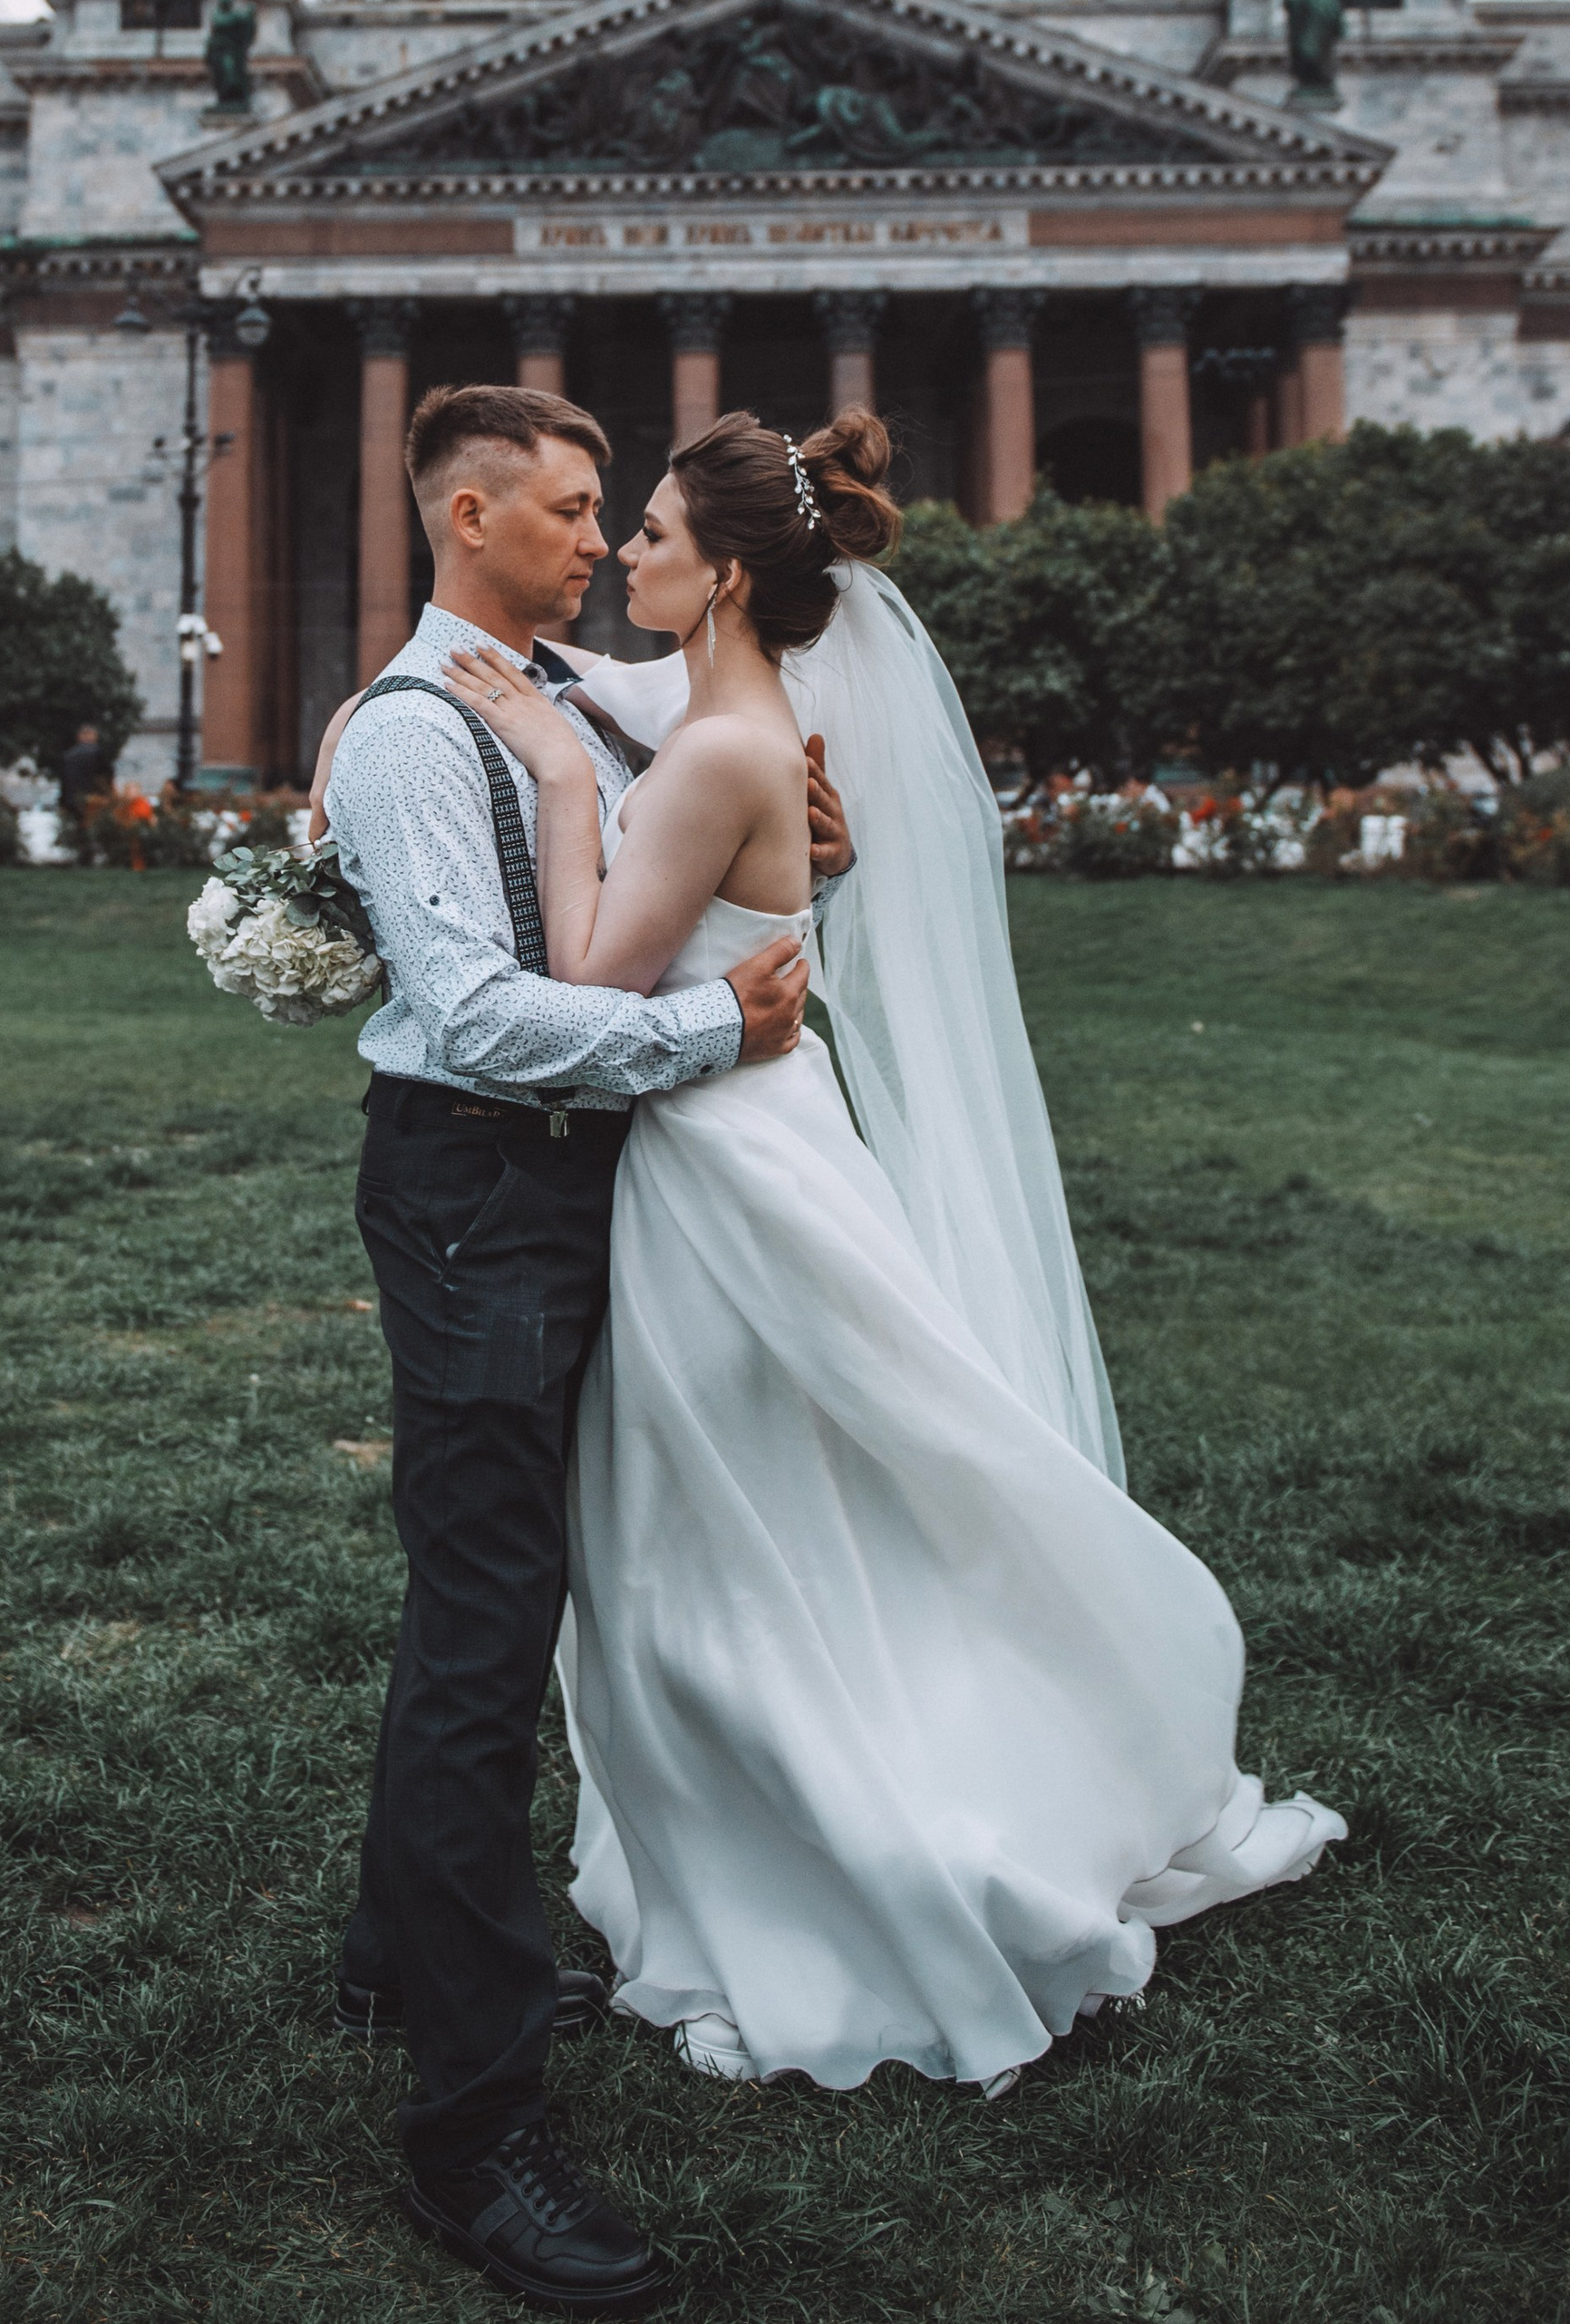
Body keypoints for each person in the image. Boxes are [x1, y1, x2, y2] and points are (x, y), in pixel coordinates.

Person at [442, 403, 1343, 2120]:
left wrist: (561, 778)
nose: (616, 552)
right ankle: (797, 1813)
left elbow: (587, 983)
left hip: (717, 1169)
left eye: (645, 534)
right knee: (776, 1507)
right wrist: (524, 704)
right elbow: (630, 709)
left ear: (717, 581)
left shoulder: (719, 753)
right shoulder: (730, 718)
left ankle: (837, 1853)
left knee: (728, 1524)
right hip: (758, 1141)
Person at [320, 384, 853, 2317]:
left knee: (483, 1590)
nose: (591, 544)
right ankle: (477, 2137)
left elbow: (705, 756)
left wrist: (787, 829)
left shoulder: (548, 688)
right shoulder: (405, 737)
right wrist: (720, 1033)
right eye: (561, 512)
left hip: (538, 1188)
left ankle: (401, 1953)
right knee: (486, 1624)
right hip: (479, 1182)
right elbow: (473, 1016)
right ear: (466, 514)